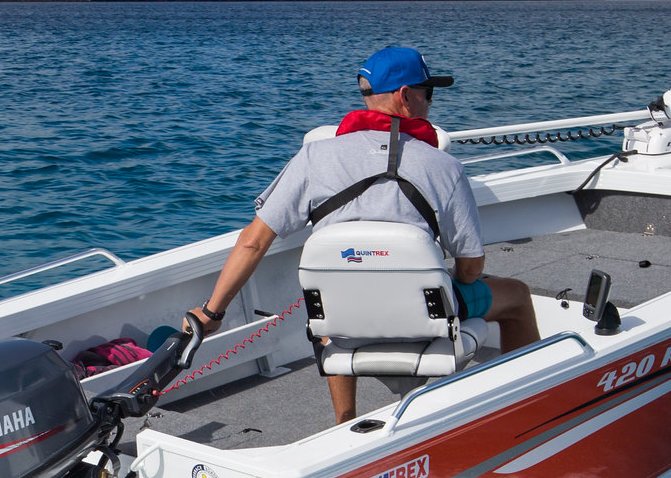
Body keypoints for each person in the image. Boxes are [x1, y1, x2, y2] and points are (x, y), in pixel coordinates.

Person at [183, 45, 541, 424]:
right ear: (407, 97)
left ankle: (345, 421)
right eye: (428, 93)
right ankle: (526, 410)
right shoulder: (445, 167)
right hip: (422, 315)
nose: (431, 103)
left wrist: (211, 313)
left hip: (341, 319)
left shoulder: (314, 158)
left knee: (331, 300)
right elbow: (470, 269)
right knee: (515, 296)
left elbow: (253, 241)